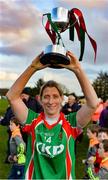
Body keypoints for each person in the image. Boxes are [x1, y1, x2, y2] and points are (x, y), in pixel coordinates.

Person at [6, 51, 99, 179]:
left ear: (62, 99)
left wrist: (78, 69)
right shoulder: (32, 120)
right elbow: (12, 97)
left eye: (55, 96)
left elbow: (93, 103)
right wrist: (32, 68)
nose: (51, 101)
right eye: (46, 97)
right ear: (40, 99)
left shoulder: (71, 122)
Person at [0, 88, 43, 162]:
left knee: (27, 142)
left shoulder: (34, 102)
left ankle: (26, 157)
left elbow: (40, 111)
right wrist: (4, 121)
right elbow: (10, 112)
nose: (22, 97)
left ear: (28, 95)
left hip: (29, 127)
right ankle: (11, 156)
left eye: (24, 95)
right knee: (12, 141)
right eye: (21, 95)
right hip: (16, 127)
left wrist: (37, 118)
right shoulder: (17, 103)